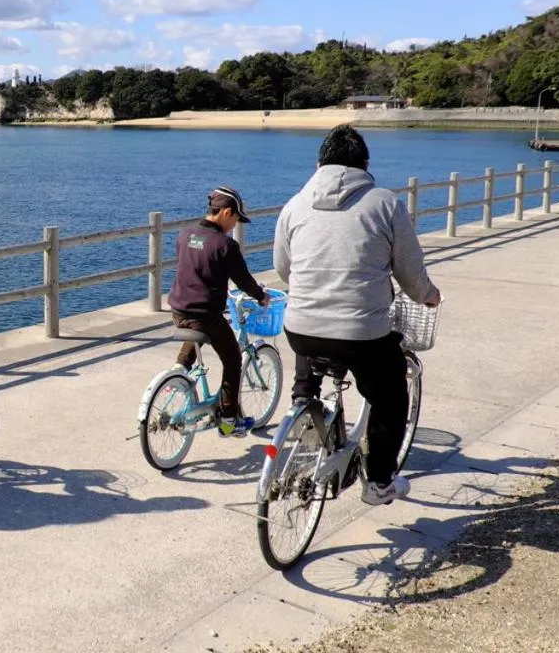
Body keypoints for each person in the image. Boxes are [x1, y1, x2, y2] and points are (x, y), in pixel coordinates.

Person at [273, 124, 441, 506]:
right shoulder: (385, 203)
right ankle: (380, 481)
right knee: (391, 399)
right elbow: (410, 273)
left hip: (301, 328)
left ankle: (303, 405)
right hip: (363, 333)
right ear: (365, 164)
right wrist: (428, 296)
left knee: (310, 336)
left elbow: (284, 269)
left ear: (319, 163)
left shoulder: (295, 204)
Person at [168, 186, 270, 438]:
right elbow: (244, 280)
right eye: (236, 218)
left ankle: (175, 378)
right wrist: (261, 296)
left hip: (179, 309)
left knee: (194, 336)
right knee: (233, 359)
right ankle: (227, 421)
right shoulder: (225, 245)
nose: (236, 224)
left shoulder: (185, 234)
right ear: (226, 212)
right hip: (205, 315)